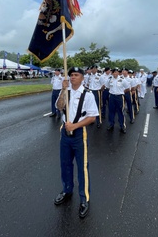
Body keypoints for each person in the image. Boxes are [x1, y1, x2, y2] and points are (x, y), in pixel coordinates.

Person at [54, 67, 99, 219]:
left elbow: (92, 117)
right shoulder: (66, 92)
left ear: (82, 78)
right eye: (71, 75)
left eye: (76, 75)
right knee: (65, 164)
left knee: (82, 167)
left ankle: (84, 198)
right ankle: (67, 190)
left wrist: (75, 126)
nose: (72, 77)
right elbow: (59, 107)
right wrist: (62, 90)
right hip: (65, 133)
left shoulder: (88, 95)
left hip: (79, 133)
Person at [105, 68, 128, 134]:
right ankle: (111, 124)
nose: (115, 73)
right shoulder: (109, 79)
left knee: (120, 112)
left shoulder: (122, 79)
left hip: (119, 97)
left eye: (116, 72)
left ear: (118, 73)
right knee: (111, 111)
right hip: (112, 96)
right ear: (112, 73)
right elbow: (107, 86)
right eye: (113, 72)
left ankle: (122, 126)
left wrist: (121, 92)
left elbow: (127, 88)